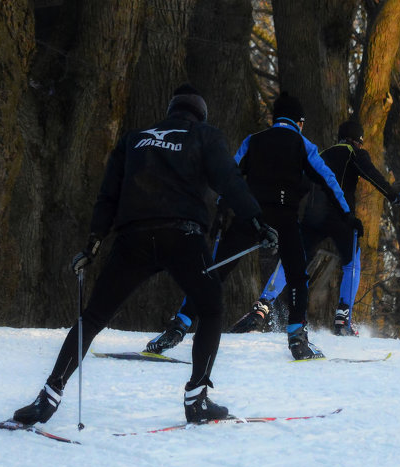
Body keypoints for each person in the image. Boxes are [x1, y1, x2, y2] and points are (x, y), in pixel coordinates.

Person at [11, 84, 277, 426]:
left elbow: (108, 193)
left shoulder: (135, 138)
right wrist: (257, 221)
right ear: (200, 114)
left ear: (171, 110)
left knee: (92, 318)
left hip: (132, 238)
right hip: (182, 236)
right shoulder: (204, 135)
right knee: (210, 308)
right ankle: (197, 399)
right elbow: (229, 181)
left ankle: (47, 398)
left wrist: (93, 242)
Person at [146, 92, 352, 360]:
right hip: (285, 218)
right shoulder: (304, 145)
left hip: (249, 216)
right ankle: (297, 340)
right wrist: (347, 214)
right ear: (298, 122)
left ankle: (178, 327)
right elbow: (328, 179)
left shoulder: (253, 141)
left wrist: (222, 208)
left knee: (214, 271)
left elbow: (229, 175)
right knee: (296, 275)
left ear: (276, 118)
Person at [231, 118, 400, 336]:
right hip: (340, 216)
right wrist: (393, 196)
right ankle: (343, 318)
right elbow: (371, 174)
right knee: (351, 263)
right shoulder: (354, 153)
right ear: (357, 141)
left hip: (313, 218)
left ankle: (261, 308)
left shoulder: (321, 155)